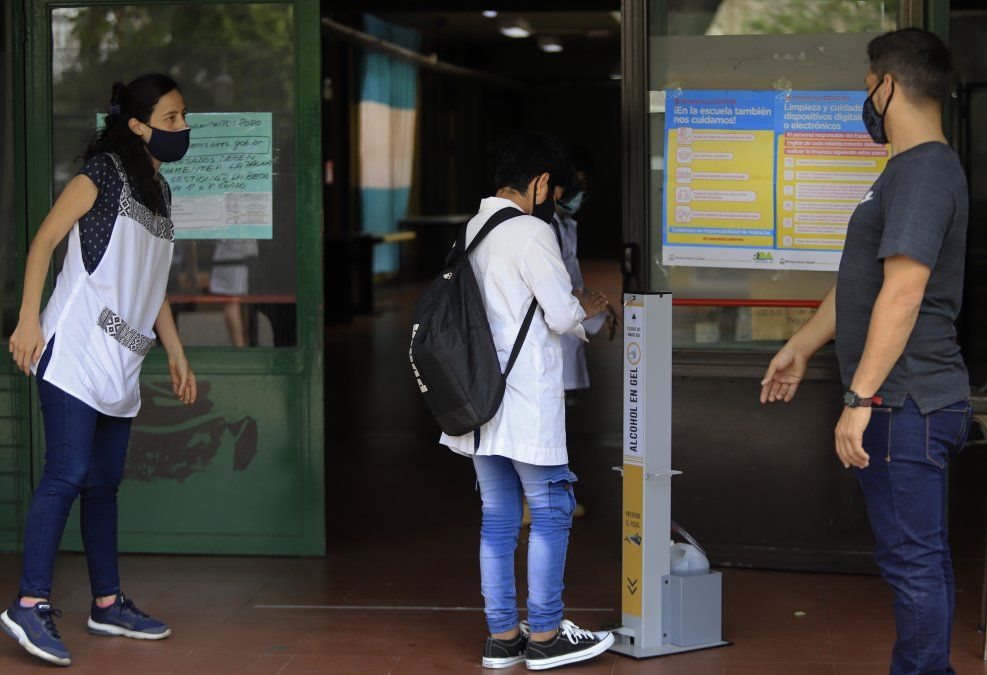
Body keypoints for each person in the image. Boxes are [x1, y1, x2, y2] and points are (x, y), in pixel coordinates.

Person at [760, 29, 971, 675]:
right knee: (914, 556)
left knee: (913, 561)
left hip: (905, 397)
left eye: (865, 86)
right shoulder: (904, 171)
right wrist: (800, 342)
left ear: (886, 85)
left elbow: (902, 294)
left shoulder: (925, 170)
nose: (865, 100)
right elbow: (864, 281)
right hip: (902, 394)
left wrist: (860, 397)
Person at [2, 74, 197, 667]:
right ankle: (29, 603)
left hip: (122, 359)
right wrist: (28, 321)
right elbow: (43, 243)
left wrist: (176, 350)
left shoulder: (160, 192)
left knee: (104, 485)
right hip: (73, 349)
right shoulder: (102, 176)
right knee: (66, 472)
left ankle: (106, 604)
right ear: (137, 126)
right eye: (169, 118)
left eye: (183, 116)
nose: (182, 128)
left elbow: (152, 284)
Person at [439, 133, 614, 670]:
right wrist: (586, 305)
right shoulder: (533, 232)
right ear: (539, 183)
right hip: (524, 399)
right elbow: (561, 316)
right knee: (552, 508)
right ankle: (544, 635)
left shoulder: (474, 229)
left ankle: (503, 637)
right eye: (550, 189)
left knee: (498, 516)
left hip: (479, 398)